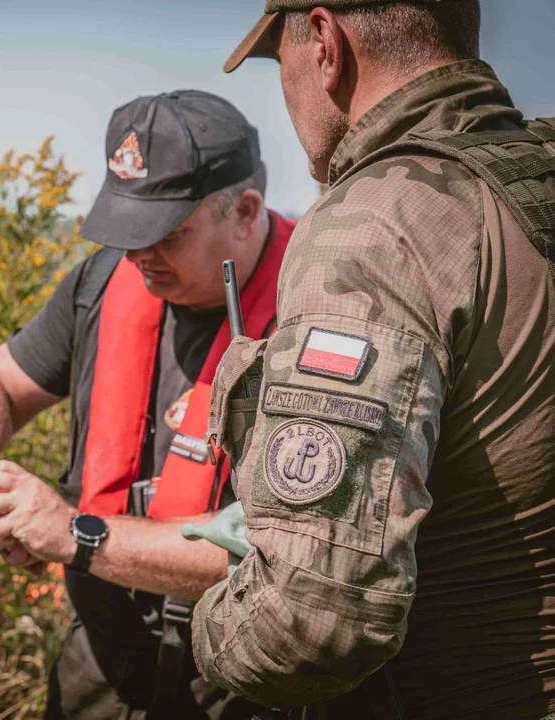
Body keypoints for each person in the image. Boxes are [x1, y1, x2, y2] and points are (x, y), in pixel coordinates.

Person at [189, 1, 555, 718]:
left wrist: (206, 629)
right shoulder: (531, 180)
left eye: (281, 59)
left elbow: (312, 627)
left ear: (324, 43)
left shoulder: (374, 222)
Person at [0, 90, 295, 718]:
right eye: (127, 233)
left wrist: (71, 533)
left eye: (165, 235)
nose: (140, 257)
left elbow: (280, 557)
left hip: (240, 677)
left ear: (245, 210)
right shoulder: (102, 283)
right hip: (102, 663)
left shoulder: (317, 310)